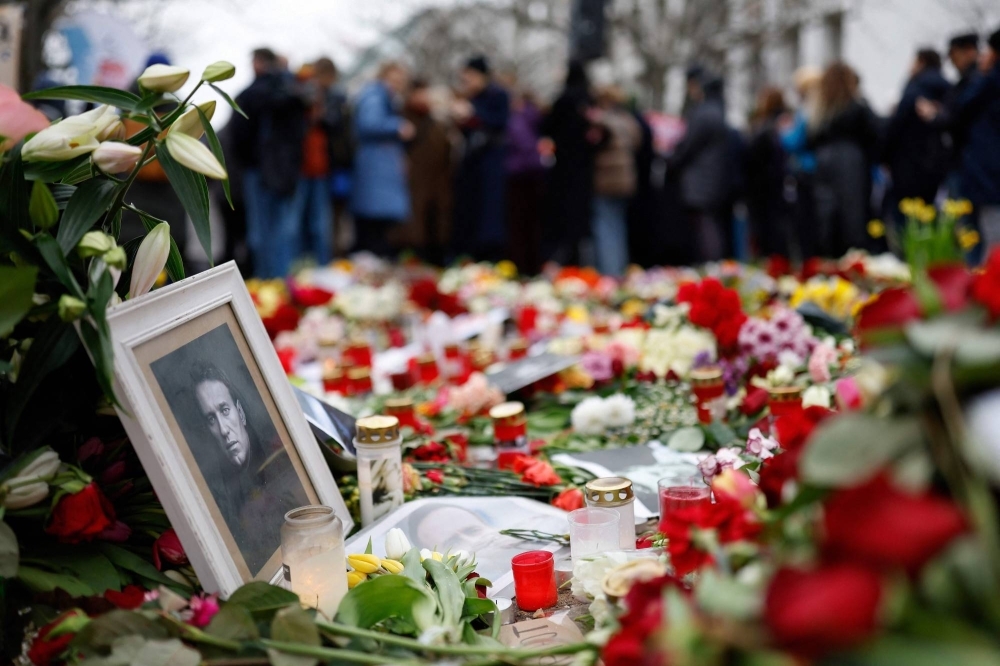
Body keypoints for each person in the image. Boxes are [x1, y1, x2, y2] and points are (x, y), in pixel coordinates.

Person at [191, 363, 309, 574]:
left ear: (240, 413)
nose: (223, 429)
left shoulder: (280, 460)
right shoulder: (216, 495)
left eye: (224, 410)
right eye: (211, 419)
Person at [229, 48, 308, 277]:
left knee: (261, 231)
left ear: (259, 63)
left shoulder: (250, 94)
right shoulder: (294, 93)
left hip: (258, 171)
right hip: (286, 171)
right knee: (284, 230)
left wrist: (247, 161)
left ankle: (266, 284)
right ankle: (282, 283)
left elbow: (238, 135)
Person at [807, 62, 880, 258]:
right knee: (852, 214)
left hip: (825, 163)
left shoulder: (821, 112)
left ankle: (829, 255)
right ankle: (854, 256)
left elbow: (810, 139)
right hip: (851, 163)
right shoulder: (856, 107)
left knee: (827, 213)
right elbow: (875, 134)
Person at [666, 69, 732, 262]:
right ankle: (712, 264)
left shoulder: (703, 113)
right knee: (707, 224)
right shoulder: (718, 111)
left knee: (704, 226)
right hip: (712, 178)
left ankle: (710, 265)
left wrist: (671, 161)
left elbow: (688, 146)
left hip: (701, 180)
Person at [351, 62, 413, 257]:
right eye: (394, 79)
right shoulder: (375, 96)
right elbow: (369, 123)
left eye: (400, 81)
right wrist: (398, 126)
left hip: (380, 173)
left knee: (378, 226)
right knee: (373, 226)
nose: (397, 85)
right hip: (375, 171)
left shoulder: (386, 99)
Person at [388, 79, 453, 263]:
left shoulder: (436, 121)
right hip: (412, 181)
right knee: (412, 225)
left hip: (437, 181)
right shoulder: (402, 119)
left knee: (435, 223)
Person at [452, 55, 510, 261]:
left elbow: (500, 122)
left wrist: (473, 113)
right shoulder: (470, 97)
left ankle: (490, 255)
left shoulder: (498, 95)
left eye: (469, 76)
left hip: (490, 162)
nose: (466, 82)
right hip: (471, 162)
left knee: (489, 214)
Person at [540, 61, 596, 265]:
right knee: (580, 217)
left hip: (564, 166)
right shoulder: (589, 100)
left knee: (563, 215)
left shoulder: (564, 99)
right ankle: (578, 258)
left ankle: (563, 258)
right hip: (585, 167)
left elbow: (547, 127)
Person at [885, 49, 951, 216]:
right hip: (937, 165)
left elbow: (895, 127)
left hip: (907, 165)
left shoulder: (914, 90)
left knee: (904, 217)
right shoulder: (948, 90)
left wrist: (884, 157)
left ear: (921, 63)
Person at [952, 28, 1000, 251]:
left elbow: (960, 109)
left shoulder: (988, 82)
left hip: (987, 175)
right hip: (987, 174)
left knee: (986, 242)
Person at [589, 85, 641, 275]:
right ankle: (620, 268)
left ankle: (609, 273)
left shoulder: (600, 121)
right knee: (619, 226)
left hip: (605, 181)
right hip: (626, 180)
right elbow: (638, 143)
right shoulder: (628, 121)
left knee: (604, 227)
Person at [503, 79, 546, 274]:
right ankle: (532, 265)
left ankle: (522, 266)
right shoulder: (535, 117)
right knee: (533, 224)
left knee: (519, 224)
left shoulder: (517, 120)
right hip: (536, 174)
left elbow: (523, 145)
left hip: (520, 174)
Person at [746, 87, 791, 259]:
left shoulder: (766, 126)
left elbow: (753, 152)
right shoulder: (782, 122)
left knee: (767, 228)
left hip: (765, 184)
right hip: (775, 183)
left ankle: (772, 259)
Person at [782, 67, 822, 260]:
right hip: (817, 170)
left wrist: (782, 133)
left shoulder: (807, 110)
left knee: (805, 222)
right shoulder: (820, 107)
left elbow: (793, 141)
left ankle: (809, 260)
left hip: (806, 171)